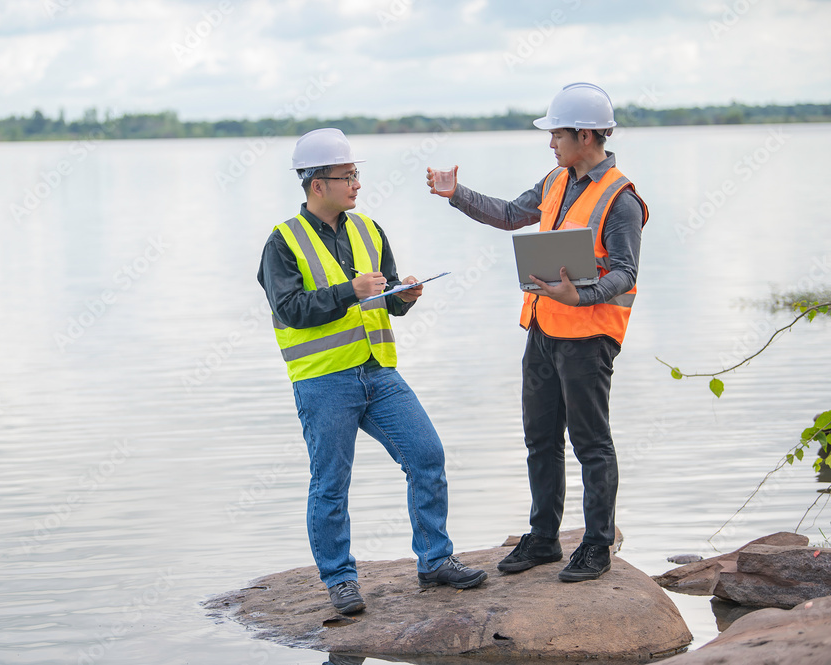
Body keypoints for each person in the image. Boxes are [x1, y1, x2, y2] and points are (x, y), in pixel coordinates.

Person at [258, 128, 487, 614]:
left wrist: (404, 296)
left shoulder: (368, 229)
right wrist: (350, 291)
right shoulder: (282, 241)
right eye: (348, 175)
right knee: (330, 483)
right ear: (317, 183)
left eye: (357, 173)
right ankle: (340, 580)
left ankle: (435, 561)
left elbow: (383, 300)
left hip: (379, 372)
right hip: (323, 380)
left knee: (427, 455)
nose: (357, 183)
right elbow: (291, 308)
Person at [425, 83, 648, 582]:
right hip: (544, 330)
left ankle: (595, 545)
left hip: (589, 339)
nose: (550, 143)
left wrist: (579, 296)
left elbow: (625, 273)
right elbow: (509, 215)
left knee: (591, 443)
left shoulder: (622, 200)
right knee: (539, 439)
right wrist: (455, 193)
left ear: (585, 134)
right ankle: (544, 538)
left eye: (557, 135)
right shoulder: (555, 180)